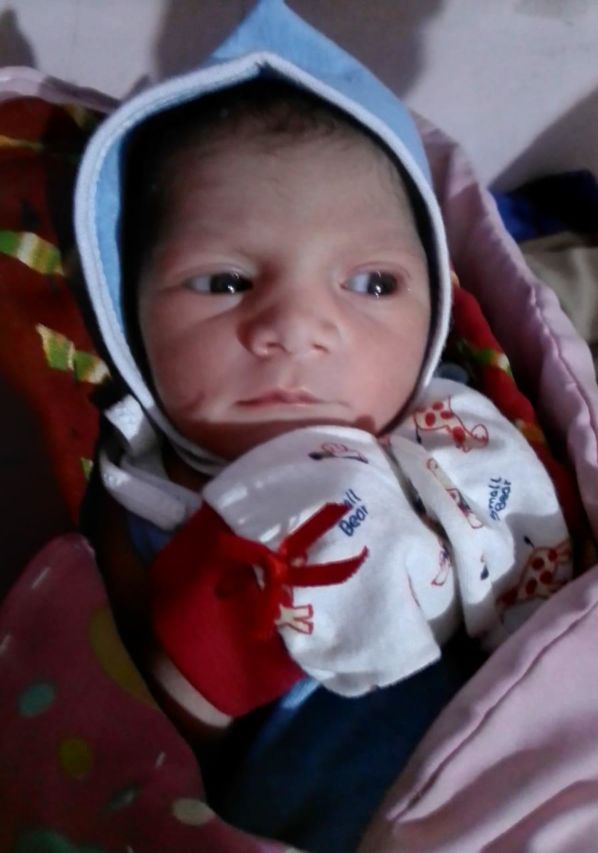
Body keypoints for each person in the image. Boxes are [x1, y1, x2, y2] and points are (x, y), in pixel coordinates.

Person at [75, 1, 572, 849]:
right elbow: (126, 752)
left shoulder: (456, 438)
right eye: (225, 282)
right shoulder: (144, 501)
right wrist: (195, 673)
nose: (298, 327)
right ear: (129, 310)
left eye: (372, 284)